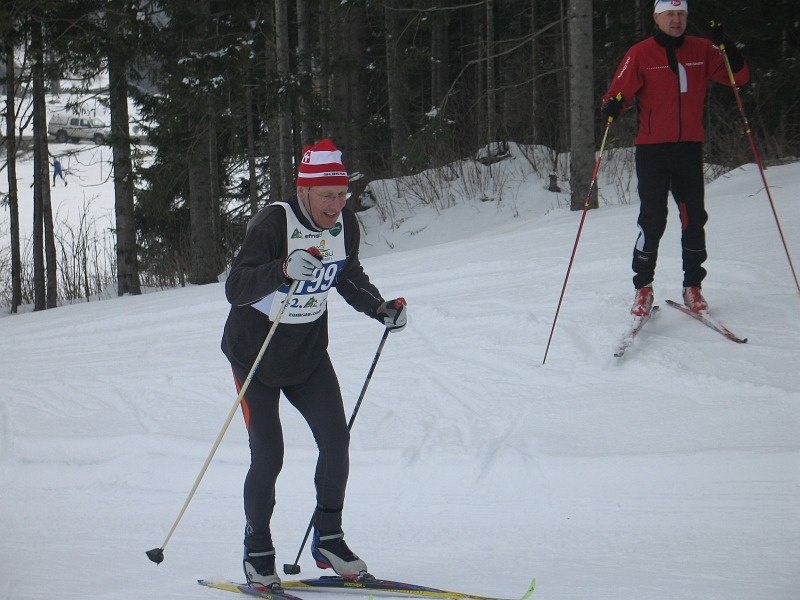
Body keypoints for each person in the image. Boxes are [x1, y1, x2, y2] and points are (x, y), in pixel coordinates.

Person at [221, 139, 407, 588]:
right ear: (303, 190)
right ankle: (258, 548)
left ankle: (329, 538)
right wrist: (283, 270)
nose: (336, 205)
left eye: (342, 194)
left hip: (306, 354)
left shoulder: (344, 224)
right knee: (269, 453)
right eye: (327, 195)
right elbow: (236, 287)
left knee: (336, 440)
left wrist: (378, 308)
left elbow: (347, 274)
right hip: (255, 356)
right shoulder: (274, 222)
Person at [600, 0, 749, 316]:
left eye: (681, 14)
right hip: (652, 150)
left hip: (689, 149)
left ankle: (693, 286)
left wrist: (727, 46)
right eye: (670, 14)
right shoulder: (640, 53)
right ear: (657, 18)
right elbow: (617, 93)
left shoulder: (702, 49)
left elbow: (738, 78)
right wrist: (612, 105)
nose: (677, 20)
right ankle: (643, 287)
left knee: (693, 219)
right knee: (652, 220)